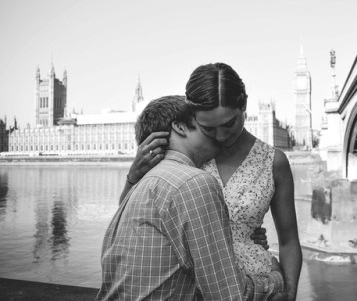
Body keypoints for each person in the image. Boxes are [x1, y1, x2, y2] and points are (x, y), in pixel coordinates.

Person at [122, 63, 302, 300]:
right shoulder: (183, 152)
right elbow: (132, 219)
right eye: (208, 128)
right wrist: (133, 176)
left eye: (229, 124)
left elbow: (289, 242)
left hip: (259, 286)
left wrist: (289, 293)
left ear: (244, 104)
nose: (221, 136)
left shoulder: (273, 161)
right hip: (190, 285)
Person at [97, 95, 284, 300]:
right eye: (205, 125)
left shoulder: (140, 186)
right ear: (180, 127)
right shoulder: (194, 182)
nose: (218, 135)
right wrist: (275, 279)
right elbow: (228, 295)